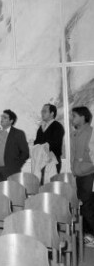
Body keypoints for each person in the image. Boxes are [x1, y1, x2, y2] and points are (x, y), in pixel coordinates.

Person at [70, 106, 94, 247]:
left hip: (89, 174)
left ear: (83, 117)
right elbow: (74, 156)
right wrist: (75, 169)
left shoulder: (91, 132)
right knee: (82, 206)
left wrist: (81, 168)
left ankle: (91, 235)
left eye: (74, 116)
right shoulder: (74, 134)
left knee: (88, 207)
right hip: (79, 175)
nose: (72, 118)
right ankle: (88, 236)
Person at [0, 110, 29, 182]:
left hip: (9, 171)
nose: (2, 119)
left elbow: (25, 153)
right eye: (2, 116)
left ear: (11, 121)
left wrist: (16, 166)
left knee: (9, 192)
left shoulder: (18, 133)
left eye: (5, 117)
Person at [34, 104, 65, 173]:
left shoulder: (57, 126)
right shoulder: (41, 128)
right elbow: (36, 143)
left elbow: (54, 144)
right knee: (41, 183)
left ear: (52, 113)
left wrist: (42, 146)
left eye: (45, 111)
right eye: (42, 111)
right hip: (40, 162)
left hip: (52, 162)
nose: (42, 113)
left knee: (51, 183)